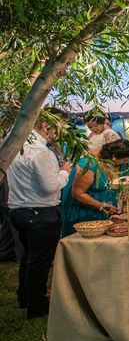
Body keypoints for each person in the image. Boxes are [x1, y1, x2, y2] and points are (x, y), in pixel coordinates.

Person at [7, 108, 73, 318]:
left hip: (18, 210)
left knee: (28, 257)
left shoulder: (17, 145)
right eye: (59, 128)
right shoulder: (41, 152)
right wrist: (65, 172)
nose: (59, 134)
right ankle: (38, 306)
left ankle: (24, 297)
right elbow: (50, 187)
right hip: (40, 212)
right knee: (40, 261)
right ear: (46, 125)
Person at [60, 139, 129, 238]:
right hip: (84, 214)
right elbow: (78, 193)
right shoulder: (89, 165)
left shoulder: (121, 165)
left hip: (104, 216)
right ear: (114, 157)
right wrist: (101, 206)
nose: (126, 162)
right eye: (124, 160)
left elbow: (119, 183)